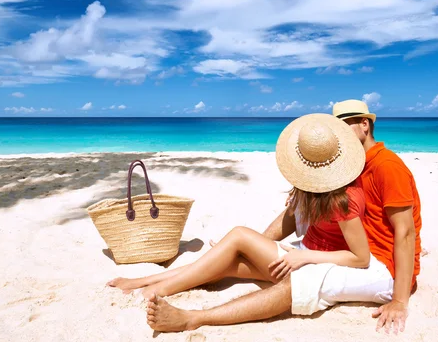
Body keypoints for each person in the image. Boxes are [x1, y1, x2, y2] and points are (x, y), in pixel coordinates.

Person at [144, 99, 422, 335]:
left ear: (365, 124)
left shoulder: (387, 167)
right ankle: (150, 283)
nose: (340, 133)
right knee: (240, 249)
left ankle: (194, 318)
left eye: (345, 124)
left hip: (382, 265)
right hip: (350, 250)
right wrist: (258, 247)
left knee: (295, 285)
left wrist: (400, 299)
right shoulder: (348, 164)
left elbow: (405, 233)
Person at [108, 113, 370, 303]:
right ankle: (144, 281)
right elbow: (290, 220)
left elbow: (361, 258)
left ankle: (156, 290)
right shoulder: (313, 189)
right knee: (222, 261)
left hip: (316, 265)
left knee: (238, 235)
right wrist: (262, 247)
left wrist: (305, 256)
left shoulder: (344, 199)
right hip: (301, 256)